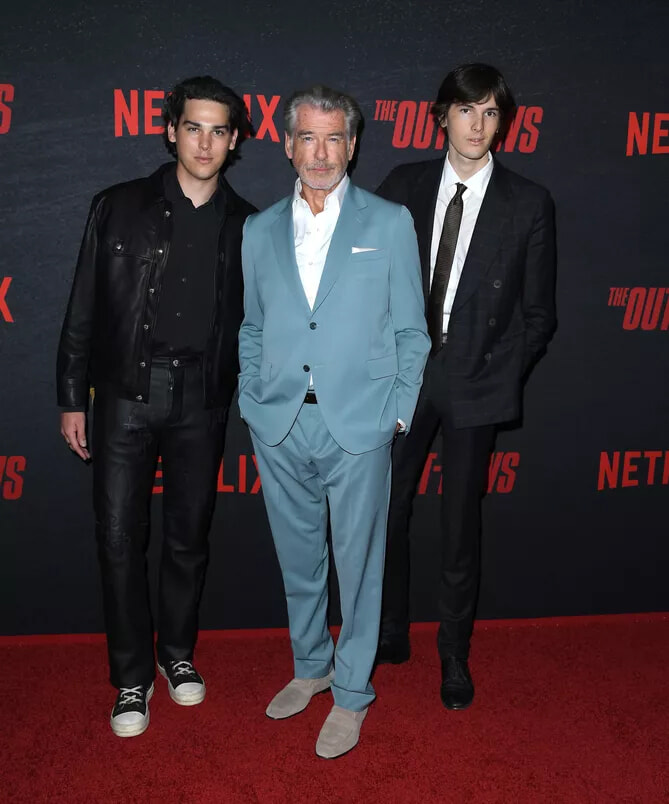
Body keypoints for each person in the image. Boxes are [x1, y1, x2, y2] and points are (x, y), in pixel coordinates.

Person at [57, 75, 255, 737]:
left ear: (234, 140)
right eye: (192, 127)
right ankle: (131, 678)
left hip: (202, 398)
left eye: (218, 130)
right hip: (123, 396)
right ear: (171, 130)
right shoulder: (117, 206)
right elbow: (83, 308)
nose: (205, 142)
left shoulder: (249, 224)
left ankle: (176, 653)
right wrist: (71, 397)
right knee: (119, 539)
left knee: (188, 539)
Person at [238, 85, 430, 758]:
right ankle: (311, 666)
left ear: (352, 145)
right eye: (307, 138)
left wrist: (397, 413)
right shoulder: (258, 230)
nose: (320, 154)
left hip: (360, 424)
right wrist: (252, 398)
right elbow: (253, 326)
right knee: (299, 561)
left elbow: (412, 330)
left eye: (333, 139)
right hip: (280, 422)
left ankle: (351, 693)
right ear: (287, 146)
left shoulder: (388, 223)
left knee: (360, 566)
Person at [375, 63, 557, 710]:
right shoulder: (402, 186)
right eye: (465, 110)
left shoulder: (528, 203)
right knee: (385, 508)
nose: (477, 126)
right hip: (404, 374)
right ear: (441, 115)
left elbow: (539, 315)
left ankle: (453, 652)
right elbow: (366, 280)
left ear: (502, 123)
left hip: (475, 380)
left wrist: (495, 370)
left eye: (490, 113)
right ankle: (388, 630)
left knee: (458, 523)